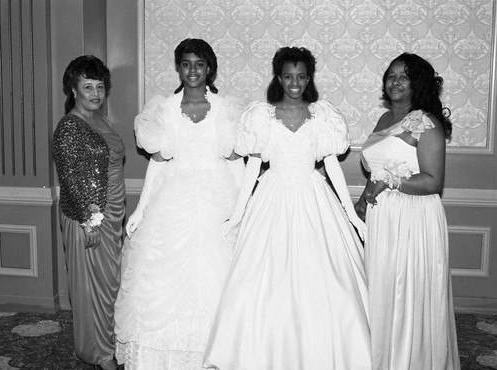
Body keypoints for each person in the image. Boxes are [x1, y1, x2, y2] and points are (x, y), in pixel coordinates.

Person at [203, 46, 371, 369]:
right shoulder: (261, 116)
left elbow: (332, 167)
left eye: (302, 76)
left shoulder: (322, 116)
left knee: (328, 280)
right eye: (289, 76)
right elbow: (253, 168)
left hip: (313, 198)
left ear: (309, 79)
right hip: (272, 198)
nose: (295, 83)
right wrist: (237, 216)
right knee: (261, 280)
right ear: (279, 77)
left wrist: (351, 216)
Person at [114, 38, 244, 369]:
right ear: (178, 67)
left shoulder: (227, 109)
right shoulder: (163, 110)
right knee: (158, 280)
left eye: (199, 64)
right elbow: (158, 164)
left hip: (218, 201)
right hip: (172, 199)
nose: (193, 71)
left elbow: (235, 163)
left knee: (220, 280)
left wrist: (246, 207)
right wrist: (142, 209)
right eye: (186, 64)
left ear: (210, 68)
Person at [354, 52, 460, 369]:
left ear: (417, 84)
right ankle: (379, 355)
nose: (395, 82)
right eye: (391, 75)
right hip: (382, 216)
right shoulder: (385, 120)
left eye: (404, 76)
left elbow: (432, 181)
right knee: (382, 288)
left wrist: (387, 182)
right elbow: (377, 169)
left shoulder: (424, 122)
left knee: (405, 290)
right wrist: (364, 197)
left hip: (412, 218)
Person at [53, 55, 125, 370]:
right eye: (87, 87)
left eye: (99, 87)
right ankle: (99, 354)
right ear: (73, 90)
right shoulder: (69, 128)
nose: (95, 94)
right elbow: (70, 180)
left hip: (110, 212)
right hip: (89, 218)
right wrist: (89, 221)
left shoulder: (99, 120)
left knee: (108, 285)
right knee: (91, 287)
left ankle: (107, 343)